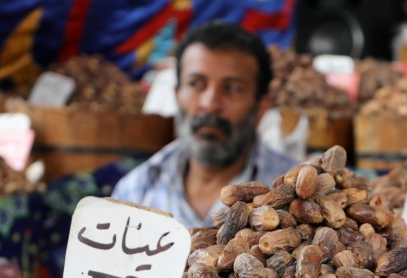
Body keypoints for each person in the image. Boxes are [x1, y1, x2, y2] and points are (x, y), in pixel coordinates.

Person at [112, 21, 298, 228]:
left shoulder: (297, 194)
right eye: (196, 84)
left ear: (261, 107)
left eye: (232, 88)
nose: (210, 104)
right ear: (177, 95)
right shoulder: (135, 192)